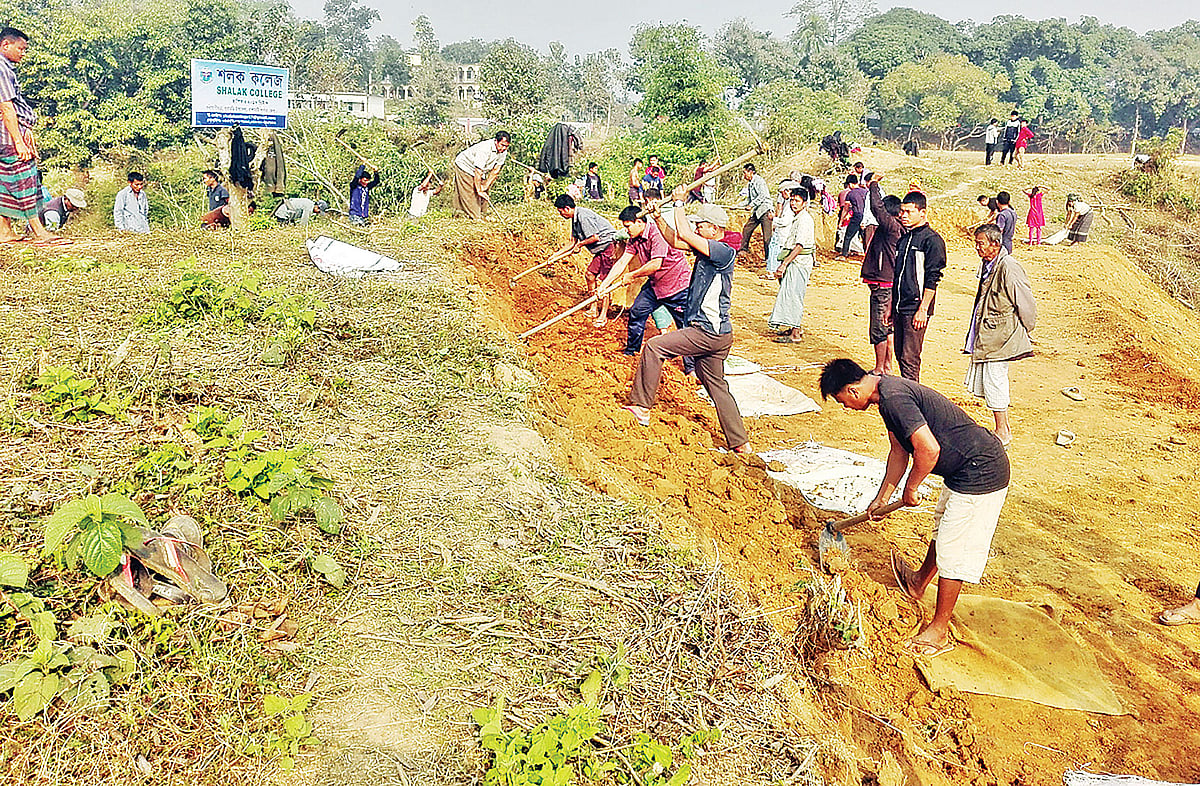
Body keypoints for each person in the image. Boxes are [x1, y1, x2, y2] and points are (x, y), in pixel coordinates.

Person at [819, 358, 1011, 657]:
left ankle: (939, 630)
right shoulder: (885, 396)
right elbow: (899, 451)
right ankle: (919, 582)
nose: (845, 407)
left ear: (853, 391)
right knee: (943, 527)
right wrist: (882, 497)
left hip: (981, 471)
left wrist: (911, 489)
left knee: (954, 549)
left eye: (842, 401)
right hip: (962, 470)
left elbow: (928, 449)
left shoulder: (894, 398)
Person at [623, 188, 750, 454]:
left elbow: (684, 234)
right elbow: (675, 240)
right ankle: (740, 442)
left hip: (707, 331)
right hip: (718, 334)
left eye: (700, 225)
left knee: (655, 347)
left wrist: (679, 202)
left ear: (714, 229)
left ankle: (641, 407)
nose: (697, 229)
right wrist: (658, 219)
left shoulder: (722, 251)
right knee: (715, 383)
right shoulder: (708, 249)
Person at [964, 224, 1037, 447]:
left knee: (995, 379)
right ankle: (1001, 427)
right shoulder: (990, 264)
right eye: (976, 243)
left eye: (981, 244)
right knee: (990, 379)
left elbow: (1026, 303)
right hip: (992, 333)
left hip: (1002, 335)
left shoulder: (1009, 266)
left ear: (995, 245)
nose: (977, 248)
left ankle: (1003, 430)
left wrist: (1025, 329)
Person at [598, 203, 693, 361]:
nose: (626, 230)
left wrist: (632, 275)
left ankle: (691, 367)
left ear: (640, 222)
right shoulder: (634, 239)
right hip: (655, 286)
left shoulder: (657, 234)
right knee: (637, 311)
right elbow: (622, 262)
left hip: (677, 285)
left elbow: (656, 264)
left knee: (685, 326)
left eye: (628, 226)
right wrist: (604, 285)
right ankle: (632, 352)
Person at [0, 27, 63, 247]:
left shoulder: (6, 68)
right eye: (21, 48)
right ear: (5, 45)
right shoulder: (1, 68)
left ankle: (4, 231)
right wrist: (19, 140)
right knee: (25, 176)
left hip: (10, 131)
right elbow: (7, 108)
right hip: (9, 134)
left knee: (4, 181)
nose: (23, 53)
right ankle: (39, 230)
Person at [892, 191, 947, 382]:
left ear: (922, 213)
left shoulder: (931, 241)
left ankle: (911, 398)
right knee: (900, 354)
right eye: (901, 211)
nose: (903, 216)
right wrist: (892, 307)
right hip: (899, 306)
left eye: (908, 211)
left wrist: (922, 309)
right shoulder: (904, 239)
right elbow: (898, 276)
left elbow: (933, 277)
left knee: (910, 357)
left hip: (915, 308)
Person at [552, 194, 619, 328]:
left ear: (566, 208)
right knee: (589, 275)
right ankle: (593, 307)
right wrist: (554, 256)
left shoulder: (583, 216)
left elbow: (595, 238)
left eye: (560, 211)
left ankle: (603, 315)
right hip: (600, 250)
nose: (561, 215)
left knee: (604, 282)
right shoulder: (575, 219)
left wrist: (580, 245)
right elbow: (572, 242)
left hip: (609, 247)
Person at [862, 175, 902, 375]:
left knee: (879, 327)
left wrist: (874, 185)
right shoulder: (898, 229)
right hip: (888, 284)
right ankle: (887, 365)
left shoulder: (890, 227)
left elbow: (877, 208)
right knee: (888, 327)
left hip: (883, 285)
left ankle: (880, 367)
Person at [767, 188, 815, 344]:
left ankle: (795, 334)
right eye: (792, 200)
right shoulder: (798, 217)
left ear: (804, 203)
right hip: (795, 261)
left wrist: (784, 264)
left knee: (794, 296)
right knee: (790, 294)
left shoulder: (804, 220)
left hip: (799, 262)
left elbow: (799, 245)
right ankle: (794, 326)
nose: (793, 203)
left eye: (797, 201)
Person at [452, 130, 509, 219]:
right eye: (502, 145)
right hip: (465, 166)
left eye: (506, 146)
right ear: (496, 141)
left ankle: (483, 214)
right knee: (471, 192)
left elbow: (495, 171)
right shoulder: (485, 149)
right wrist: (479, 190)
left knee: (484, 193)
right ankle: (474, 217)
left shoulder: (503, 152)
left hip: (481, 170)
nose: (504, 148)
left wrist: (485, 186)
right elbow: (478, 171)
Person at [739, 162, 773, 261]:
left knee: (767, 237)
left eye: (745, 173)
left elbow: (762, 196)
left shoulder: (759, 181)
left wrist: (752, 205)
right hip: (757, 211)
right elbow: (749, 199)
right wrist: (739, 205)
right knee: (747, 229)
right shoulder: (750, 184)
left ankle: (769, 258)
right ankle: (743, 249)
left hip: (765, 211)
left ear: (751, 172)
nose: (744, 175)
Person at [836, 174, 866, 261]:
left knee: (848, 236)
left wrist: (841, 221)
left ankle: (844, 254)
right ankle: (866, 255)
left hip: (856, 216)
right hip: (866, 216)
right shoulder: (865, 191)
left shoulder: (850, 194)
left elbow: (846, 208)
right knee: (865, 237)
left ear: (850, 184)